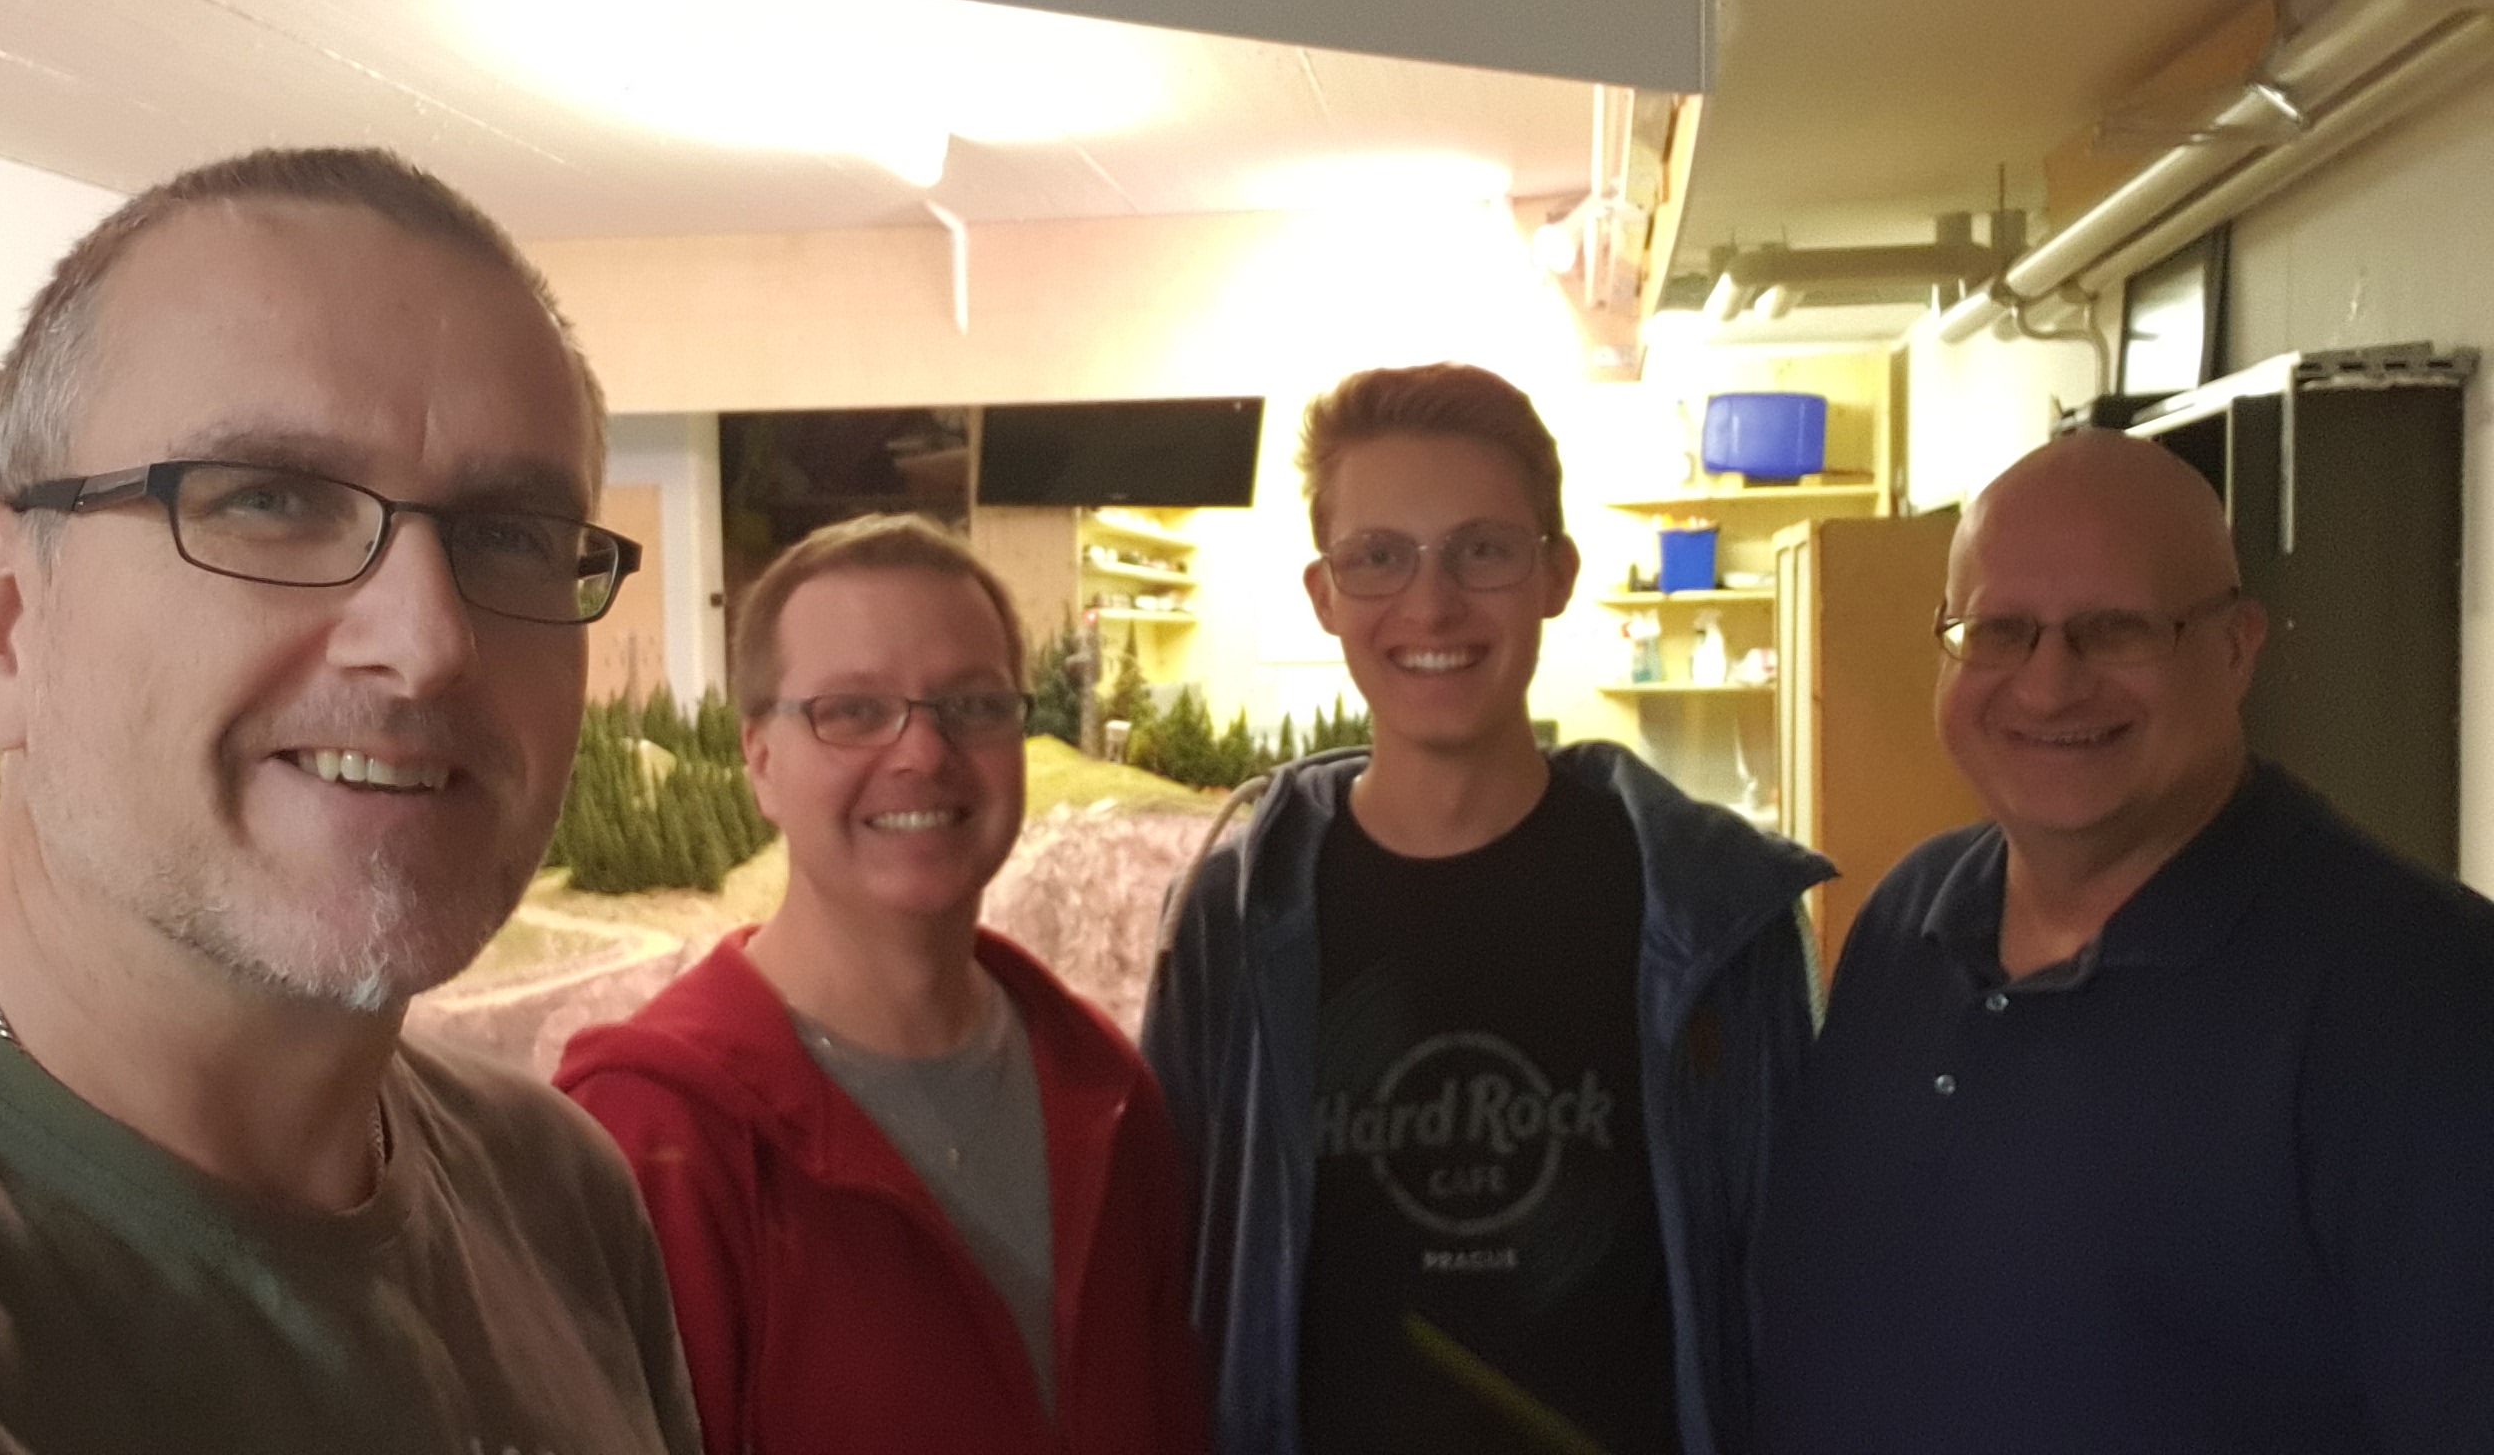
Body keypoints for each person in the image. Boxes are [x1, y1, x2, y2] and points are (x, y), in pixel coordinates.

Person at [0, 148, 702, 1451]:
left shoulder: (561, 1198)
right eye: (268, 501)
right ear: (6, 621)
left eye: (509, 536)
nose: (427, 642)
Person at [1753, 430, 2494, 1453]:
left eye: (2115, 630)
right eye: (1999, 630)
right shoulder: (1906, 920)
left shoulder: (2426, 997)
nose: (2049, 687)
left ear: (2237, 647)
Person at [1142, 363, 1833, 1455]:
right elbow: (1169, 1272)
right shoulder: (1233, 924)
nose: (1431, 605)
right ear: (1324, 594)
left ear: (1556, 573)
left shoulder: (1715, 915)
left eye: (1483, 549)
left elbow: (1797, 1287)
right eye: (1379, 556)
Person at [557, 514, 1208, 1455]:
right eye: (854, 711)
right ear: (761, 763)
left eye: (972, 705)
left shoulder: (1106, 1095)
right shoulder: (655, 1138)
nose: (922, 753)